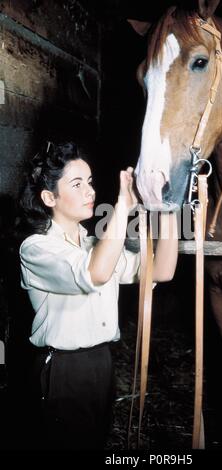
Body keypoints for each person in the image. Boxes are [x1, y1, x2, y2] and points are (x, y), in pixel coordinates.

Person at [18, 141, 178, 450]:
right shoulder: (37, 249)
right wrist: (122, 205)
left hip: (102, 363)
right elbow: (95, 274)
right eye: (76, 184)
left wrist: (166, 207)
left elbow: (161, 271)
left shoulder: (95, 246)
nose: (90, 191)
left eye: (90, 182)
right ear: (49, 197)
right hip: (64, 370)